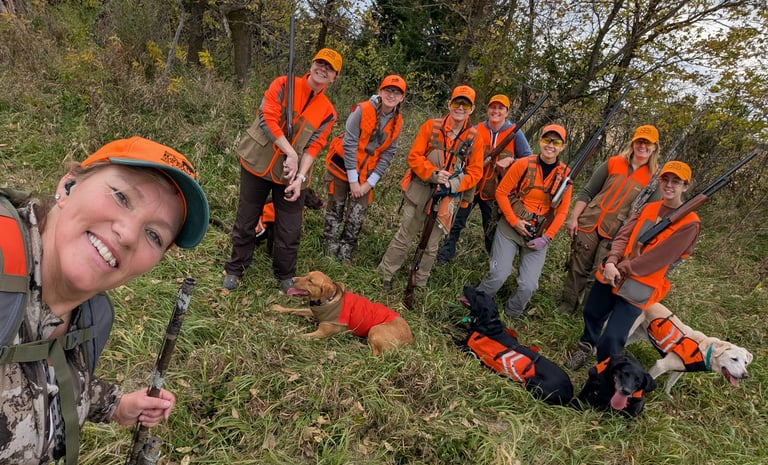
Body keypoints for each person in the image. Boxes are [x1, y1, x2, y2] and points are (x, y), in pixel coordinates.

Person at [0, 136, 209, 464]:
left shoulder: (91, 317)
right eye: (121, 197)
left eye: (154, 235)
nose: (127, 235)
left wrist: (115, 405)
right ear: (69, 186)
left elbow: (41, 378)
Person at [223, 48, 341, 292]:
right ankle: (236, 268)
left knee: (290, 228)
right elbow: (267, 119)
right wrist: (291, 153)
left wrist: (300, 178)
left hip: (290, 175)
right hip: (258, 163)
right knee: (246, 219)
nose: (322, 69)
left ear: (334, 78)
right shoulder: (282, 84)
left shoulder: (328, 112)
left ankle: (285, 275)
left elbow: (315, 145)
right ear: (311, 65)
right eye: (320, 63)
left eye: (329, 68)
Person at [565, 161, 700, 369]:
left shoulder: (690, 223)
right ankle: (586, 345)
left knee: (613, 338)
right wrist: (611, 261)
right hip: (613, 272)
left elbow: (659, 258)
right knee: (592, 312)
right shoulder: (649, 207)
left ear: (686, 186)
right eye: (665, 179)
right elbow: (622, 236)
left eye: (676, 181)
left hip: (639, 286)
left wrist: (621, 268)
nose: (669, 185)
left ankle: (605, 372)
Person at [377, 85, 484, 291]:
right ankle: (385, 274)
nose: (460, 108)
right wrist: (434, 174)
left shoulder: (475, 138)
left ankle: (419, 282)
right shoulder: (431, 126)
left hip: (447, 197)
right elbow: (414, 157)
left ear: (471, 109)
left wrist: (452, 183)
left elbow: (475, 172)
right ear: (449, 104)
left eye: (465, 104)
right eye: (456, 102)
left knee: (432, 244)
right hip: (421, 189)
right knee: (405, 233)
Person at [557, 125, 661, 315]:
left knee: (598, 274)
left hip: (617, 234)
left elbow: (650, 217)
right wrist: (574, 218)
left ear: (655, 147)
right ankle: (566, 307)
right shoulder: (613, 162)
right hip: (590, 222)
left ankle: (584, 313)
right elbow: (588, 191)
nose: (642, 146)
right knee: (577, 267)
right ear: (633, 142)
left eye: (648, 143)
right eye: (639, 141)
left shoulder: (654, 180)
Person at [473, 124, 572, 319]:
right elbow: (501, 193)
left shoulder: (566, 177)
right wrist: (513, 221)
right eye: (546, 140)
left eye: (556, 142)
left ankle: (511, 315)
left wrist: (547, 238)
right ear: (539, 141)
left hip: (539, 235)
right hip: (511, 228)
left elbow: (561, 213)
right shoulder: (523, 164)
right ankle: (476, 303)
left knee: (528, 286)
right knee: (499, 274)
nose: (550, 145)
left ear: (563, 146)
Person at [436, 94, 533, 264]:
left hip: (495, 193)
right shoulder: (476, 129)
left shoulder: (515, 133)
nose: (496, 111)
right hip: (471, 186)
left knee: (491, 230)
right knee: (457, 222)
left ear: (507, 112)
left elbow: (529, 160)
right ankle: (444, 257)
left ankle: (494, 265)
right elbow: (460, 153)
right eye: (493, 107)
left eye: (500, 108)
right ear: (487, 110)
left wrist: (512, 160)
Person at [323, 74, 407, 262]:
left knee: (356, 216)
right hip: (342, 168)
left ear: (402, 97)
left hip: (366, 176)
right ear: (380, 91)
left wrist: (368, 184)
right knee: (335, 209)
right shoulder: (362, 110)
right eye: (388, 90)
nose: (391, 95)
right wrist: (354, 181)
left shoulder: (398, 121)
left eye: (397, 92)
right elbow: (349, 144)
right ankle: (329, 250)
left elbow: (388, 155)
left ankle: (345, 252)